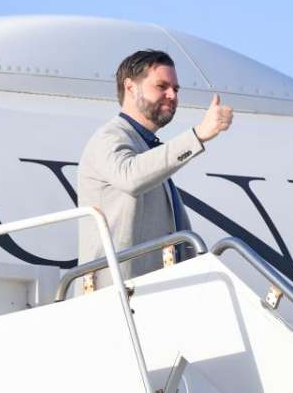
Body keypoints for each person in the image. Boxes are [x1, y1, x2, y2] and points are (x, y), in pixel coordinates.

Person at [77, 49, 233, 287]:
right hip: (115, 294)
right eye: (162, 86)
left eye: (176, 89)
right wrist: (197, 135)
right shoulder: (109, 137)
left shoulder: (147, 148)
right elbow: (130, 176)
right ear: (130, 87)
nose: (172, 95)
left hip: (152, 293)